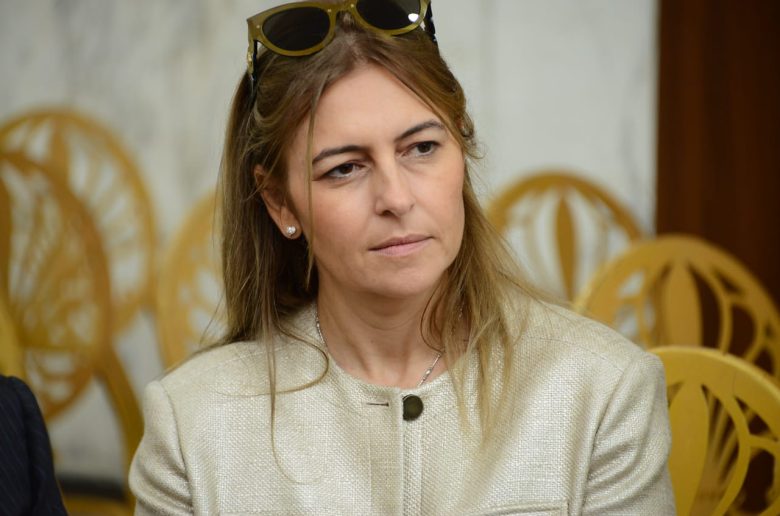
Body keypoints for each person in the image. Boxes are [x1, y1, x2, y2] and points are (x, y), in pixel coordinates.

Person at [130, 1, 675, 514]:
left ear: (462, 147)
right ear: (279, 201)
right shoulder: (192, 424)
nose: (396, 198)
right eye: (345, 168)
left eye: (422, 148)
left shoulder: (602, 391)